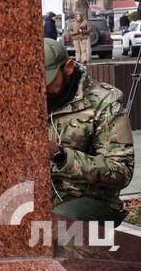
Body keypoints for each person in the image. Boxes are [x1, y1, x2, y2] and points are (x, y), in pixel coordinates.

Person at [43, 39, 134, 224]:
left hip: (91, 200)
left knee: (61, 223)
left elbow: (121, 171)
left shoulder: (105, 101)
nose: (41, 88)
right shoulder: (27, 98)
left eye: (47, 79)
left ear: (68, 67)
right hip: (37, 195)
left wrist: (61, 156)